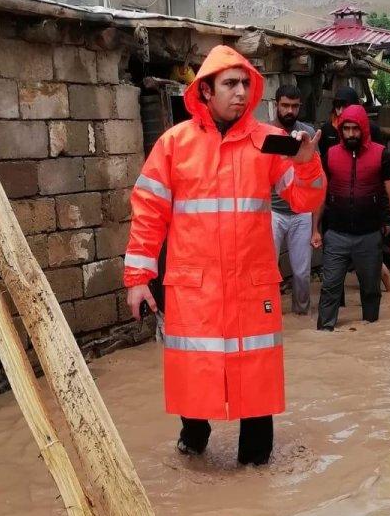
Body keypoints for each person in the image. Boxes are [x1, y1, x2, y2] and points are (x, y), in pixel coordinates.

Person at [124, 45, 325, 465]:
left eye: (244, 84)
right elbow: (148, 213)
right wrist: (138, 279)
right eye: (229, 84)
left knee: (255, 376)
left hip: (251, 285)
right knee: (195, 374)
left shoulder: (270, 142)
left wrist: (308, 165)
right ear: (206, 90)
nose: (239, 92)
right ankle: (193, 445)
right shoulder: (174, 145)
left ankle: (255, 473)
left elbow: (304, 201)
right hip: (194, 288)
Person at [314, 104, 390, 331]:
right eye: (346, 128)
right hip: (336, 235)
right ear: (340, 129)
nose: (351, 133)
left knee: (371, 290)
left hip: (369, 236)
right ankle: (324, 332)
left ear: (363, 128)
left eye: (355, 129)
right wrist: (314, 228)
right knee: (330, 287)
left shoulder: (381, 155)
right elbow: (320, 194)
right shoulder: (331, 155)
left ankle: (370, 332)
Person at [271, 84, 316, 315]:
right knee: (267, 271)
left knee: (302, 272)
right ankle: (268, 315)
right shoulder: (264, 133)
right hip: (272, 212)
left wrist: (317, 226)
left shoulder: (307, 133)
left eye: (294, 106)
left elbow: (316, 179)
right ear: (276, 105)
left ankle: (302, 315)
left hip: (301, 212)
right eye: (285, 105)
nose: (290, 110)